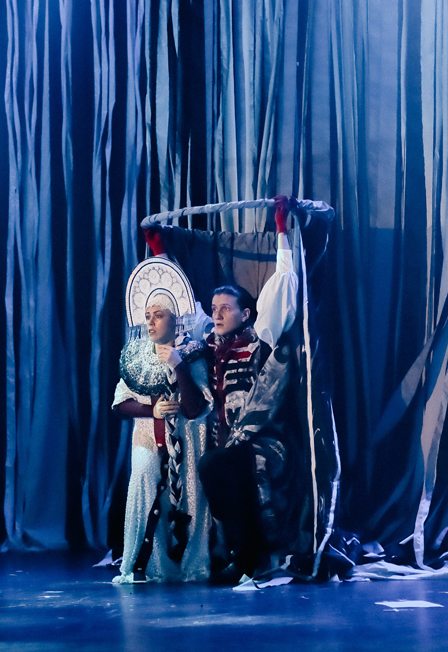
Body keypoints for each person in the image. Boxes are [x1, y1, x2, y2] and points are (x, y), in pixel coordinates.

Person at [111, 257, 213, 584]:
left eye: (159, 315)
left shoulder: (193, 353)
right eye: (148, 317)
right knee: (144, 480)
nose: (152, 322)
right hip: (147, 439)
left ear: (175, 318)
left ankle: (192, 566)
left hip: (187, 441)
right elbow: (120, 404)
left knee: (190, 498)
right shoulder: (137, 357)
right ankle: (148, 564)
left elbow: (196, 407)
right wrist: (150, 411)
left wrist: (178, 364)